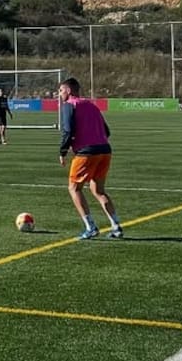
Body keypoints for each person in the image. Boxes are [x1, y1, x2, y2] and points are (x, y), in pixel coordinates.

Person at [58, 77, 123, 240]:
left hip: (86, 153)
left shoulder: (69, 105)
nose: (59, 94)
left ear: (68, 91)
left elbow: (67, 130)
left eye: (60, 90)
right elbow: (107, 131)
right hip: (105, 150)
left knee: (74, 188)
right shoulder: (91, 105)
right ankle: (116, 226)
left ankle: (90, 227)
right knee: (98, 191)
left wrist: (63, 151)